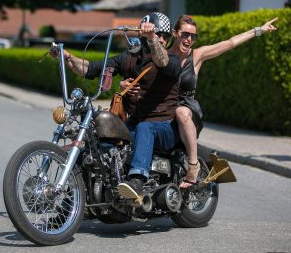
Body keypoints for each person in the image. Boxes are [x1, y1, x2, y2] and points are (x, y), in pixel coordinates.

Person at [52, 12, 181, 199]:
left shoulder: (172, 59)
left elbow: (162, 62)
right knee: (99, 140)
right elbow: (91, 68)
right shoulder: (129, 58)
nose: (161, 39)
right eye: (157, 34)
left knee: (146, 127)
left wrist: (152, 37)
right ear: (141, 36)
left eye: (165, 36)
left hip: (166, 126)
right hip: (136, 124)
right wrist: (67, 57)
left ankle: (137, 180)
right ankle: (74, 199)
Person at [165, 15, 278, 188]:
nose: (189, 39)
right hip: (164, 110)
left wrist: (258, 31)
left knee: (181, 112)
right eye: (185, 34)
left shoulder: (196, 56)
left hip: (186, 111)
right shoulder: (162, 56)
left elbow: (231, 42)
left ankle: (193, 167)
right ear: (175, 33)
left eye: (193, 36)